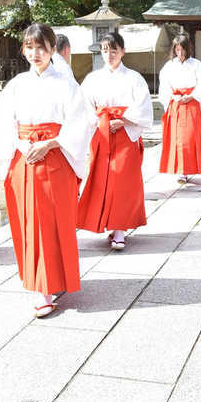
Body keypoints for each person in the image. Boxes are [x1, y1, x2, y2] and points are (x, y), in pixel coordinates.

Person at [0, 23, 91, 317]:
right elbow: (5, 124)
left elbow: (79, 123)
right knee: (30, 223)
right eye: (29, 47)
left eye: (41, 47)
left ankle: (53, 280)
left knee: (54, 221)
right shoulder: (16, 85)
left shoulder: (66, 84)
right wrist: (24, 147)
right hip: (24, 158)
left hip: (56, 156)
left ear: (52, 50)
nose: (35, 53)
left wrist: (49, 143)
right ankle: (42, 286)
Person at [77, 32, 153, 250]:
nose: (108, 55)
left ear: (123, 52)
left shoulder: (134, 78)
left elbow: (143, 107)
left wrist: (122, 120)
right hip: (101, 135)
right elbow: (84, 106)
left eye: (113, 50)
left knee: (122, 182)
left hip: (125, 135)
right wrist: (100, 121)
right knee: (103, 181)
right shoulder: (93, 79)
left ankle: (119, 229)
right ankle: (108, 225)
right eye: (104, 50)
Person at [159, 34, 201, 184]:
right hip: (175, 103)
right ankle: (180, 170)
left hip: (191, 102)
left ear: (188, 49)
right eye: (177, 50)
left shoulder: (197, 64)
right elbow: (164, 85)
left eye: (182, 50)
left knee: (188, 137)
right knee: (176, 138)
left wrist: (192, 95)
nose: (180, 53)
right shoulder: (169, 66)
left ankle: (186, 170)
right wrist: (172, 96)